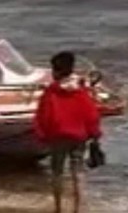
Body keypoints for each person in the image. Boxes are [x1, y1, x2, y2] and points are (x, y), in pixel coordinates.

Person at [34, 52, 101, 213]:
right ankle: (77, 209)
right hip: (79, 136)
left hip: (58, 136)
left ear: (56, 71)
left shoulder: (51, 91)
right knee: (78, 174)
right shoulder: (81, 90)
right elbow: (91, 114)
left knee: (57, 173)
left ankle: (58, 209)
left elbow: (43, 115)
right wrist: (95, 134)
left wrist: (42, 135)